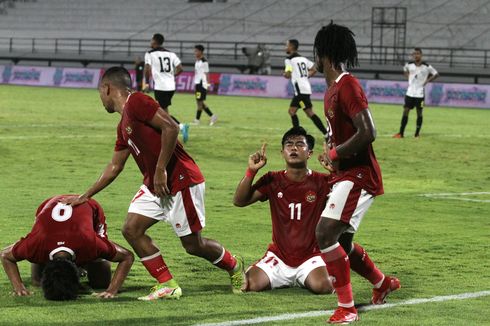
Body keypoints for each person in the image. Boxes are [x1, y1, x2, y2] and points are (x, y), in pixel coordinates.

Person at [64, 67, 245, 301]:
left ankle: (234, 265)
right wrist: (85, 195)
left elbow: (171, 126)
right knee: (131, 229)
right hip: (155, 186)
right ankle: (166, 284)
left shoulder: (137, 101)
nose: (100, 99)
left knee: (192, 245)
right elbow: (114, 167)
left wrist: (160, 169)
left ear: (107, 88)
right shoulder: (123, 125)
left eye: (100, 92)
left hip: (181, 181)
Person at [313, 23, 400, 324]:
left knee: (324, 233)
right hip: (346, 173)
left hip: (360, 175)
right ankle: (381, 282)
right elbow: (342, 135)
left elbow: (369, 132)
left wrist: (336, 153)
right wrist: (334, 160)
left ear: (322, 53)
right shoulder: (330, 91)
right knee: (343, 244)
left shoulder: (348, 86)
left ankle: (347, 308)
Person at [233, 127, 333, 294]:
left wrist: (335, 173)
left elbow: (349, 202)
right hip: (278, 257)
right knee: (249, 285)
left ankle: (305, 276)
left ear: (309, 153)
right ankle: (234, 265)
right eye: (289, 144)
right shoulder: (273, 179)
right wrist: (252, 170)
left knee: (325, 287)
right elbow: (239, 201)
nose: (294, 148)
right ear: (282, 152)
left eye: (300, 144)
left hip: (311, 257)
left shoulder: (322, 181)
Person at [0, 195, 134, 300]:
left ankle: (91, 263)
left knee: (100, 283)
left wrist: (112, 290)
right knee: (37, 282)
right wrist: (19, 287)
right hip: (50, 205)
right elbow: (5, 255)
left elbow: (127, 257)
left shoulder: (90, 244)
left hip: (87, 205)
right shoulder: (36, 245)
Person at [144, 33, 190, 143]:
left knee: (162, 113)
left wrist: (146, 83)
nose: (150, 42)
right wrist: (171, 75)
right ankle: (165, 132)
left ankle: (181, 126)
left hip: (161, 86)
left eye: (151, 40)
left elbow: (147, 69)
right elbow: (180, 68)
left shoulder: (149, 54)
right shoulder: (171, 54)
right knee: (163, 111)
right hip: (171, 86)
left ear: (154, 41)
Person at [283, 39, 328, 139]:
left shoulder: (289, 59)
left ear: (291, 46)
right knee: (309, 112)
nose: (285, 48)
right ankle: (326, 134)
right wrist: (305, 76)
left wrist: (285, 74)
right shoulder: (303, 59)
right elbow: (314, 68)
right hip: (306, 89)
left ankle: (297, 135)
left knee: (292, 111)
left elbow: (288, 73)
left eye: (286, 45)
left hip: (299, 90)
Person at [393, 48, 439, 138]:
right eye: (414, 54)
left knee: (419, 113)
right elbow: (405, 69)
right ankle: (401, 133)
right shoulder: (409, 65)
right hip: (410, 92)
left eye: (418, 54)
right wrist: (408, 77)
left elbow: (436, 74)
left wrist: (427, 81)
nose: (416, 55)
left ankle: (417, 134)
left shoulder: (426, 66)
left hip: (420, 93)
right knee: (405, 111)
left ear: (421, 55)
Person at [193, 44, 218, 126]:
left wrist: (207, 85)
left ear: (200, 51)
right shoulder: (198, 61)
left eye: (196, 51)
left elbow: (207, 74)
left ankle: (197, 120)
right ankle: (212, 116)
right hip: (198, 83)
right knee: (199, 102)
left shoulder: (204, 62)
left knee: (199, 103)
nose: (195, 52)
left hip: (202, 84)